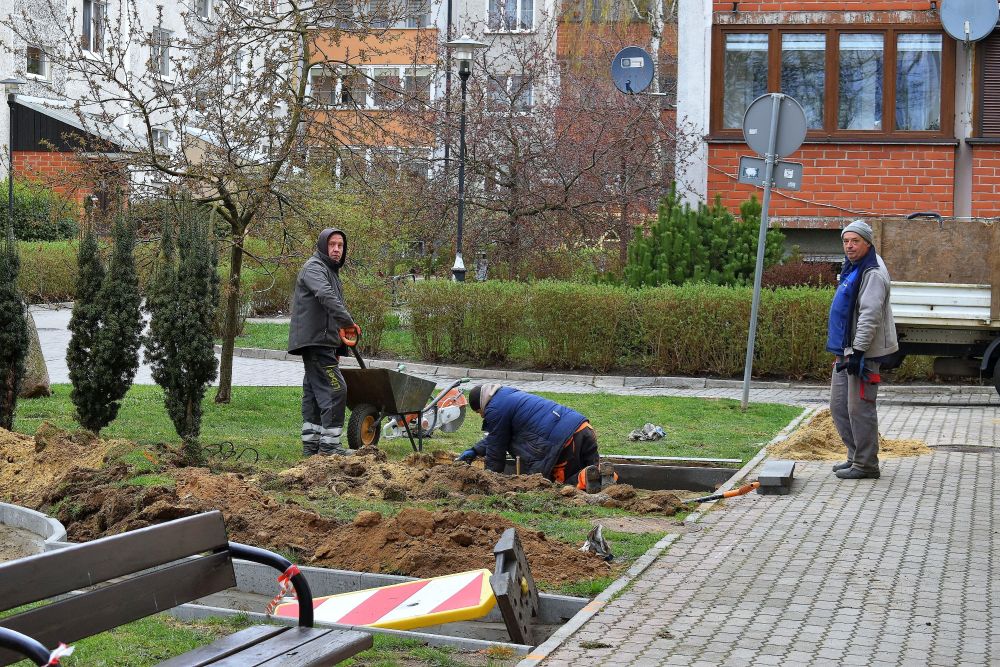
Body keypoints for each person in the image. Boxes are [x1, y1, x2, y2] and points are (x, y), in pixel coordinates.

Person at [826, 220, 898, 480]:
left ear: (867, 243)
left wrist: (858, 351)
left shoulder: (873, 272)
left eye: (855, 241)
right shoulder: (854, 267)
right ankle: (855, 457)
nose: (849, 246)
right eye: (846, 241)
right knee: (839, 407)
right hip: (845, 351)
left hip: (862, 354)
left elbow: (870, 315)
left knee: (860, 409)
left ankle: (867, 465)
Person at [455, 384, 612, 492]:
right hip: (582, 428)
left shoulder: (494, 409)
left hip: (565, 438)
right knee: (593, 468)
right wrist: (475, 450)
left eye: (479, 413)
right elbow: (499, 436)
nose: (482, 416)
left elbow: (496, 450)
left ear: (481, 406)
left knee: (559, 485)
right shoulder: (507, 395)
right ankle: (605, 478)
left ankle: (585, 478)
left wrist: (488, 481)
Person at [288, 228, 358, 457]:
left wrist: (338, 344)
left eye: (340, 245)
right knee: (336, 389)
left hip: (320, 341)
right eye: (332, 245)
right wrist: (348, 322)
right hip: (315, 342)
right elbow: (326, 297)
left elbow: (326, 311)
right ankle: (330, 447)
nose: (337, 249)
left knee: (314, 391)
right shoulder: (315, 268)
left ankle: (312, 446)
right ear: (322, 246)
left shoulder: (328, 270)